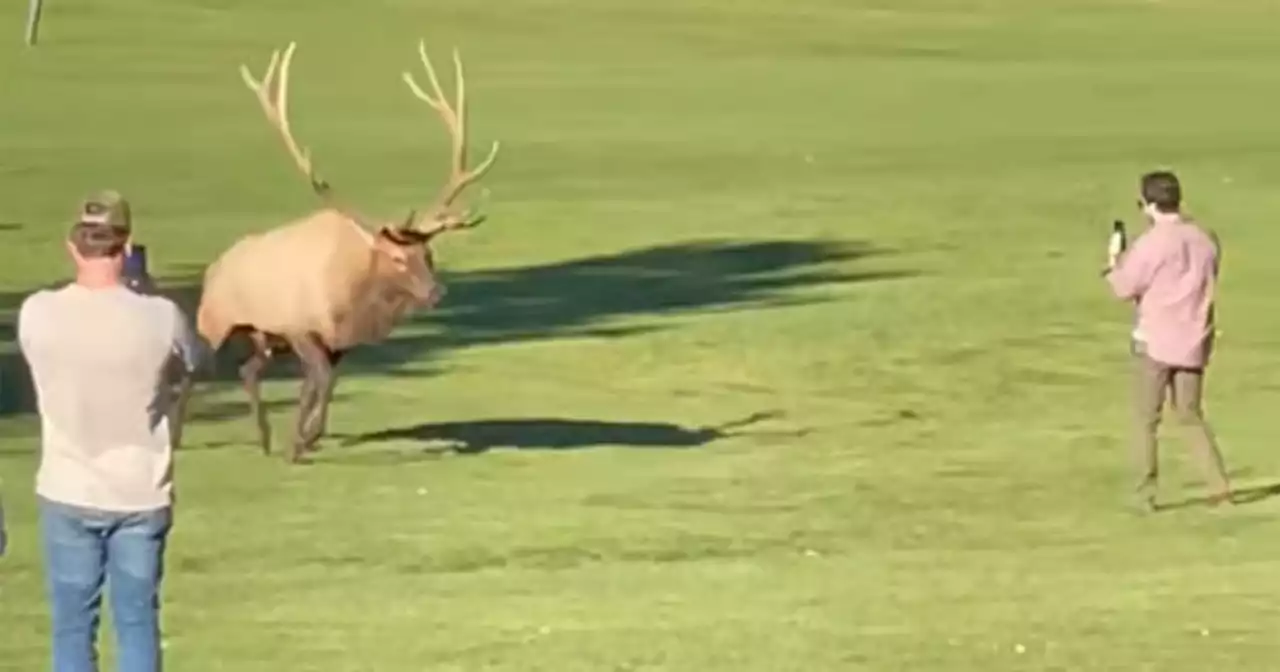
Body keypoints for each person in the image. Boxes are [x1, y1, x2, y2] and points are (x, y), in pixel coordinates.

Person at [17, 190, 202, 672]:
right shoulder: (160, 317)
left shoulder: (37, 311)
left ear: (73, 247)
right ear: (126, 246)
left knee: (73, 624)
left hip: (68, 486)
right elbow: (195, 360)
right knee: (138, 620)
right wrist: (148, 292)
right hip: (140, 492)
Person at [1104, 170, 1232, 511]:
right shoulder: (1205, 239)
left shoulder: (1151, 244)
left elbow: (1122, 287)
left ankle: (1143, 495)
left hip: (1156, 342)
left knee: (1146, 419)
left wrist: (1113, 262)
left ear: (1148, 204)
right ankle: (1219, 487)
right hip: (1194, 340)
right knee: (1190, 415)